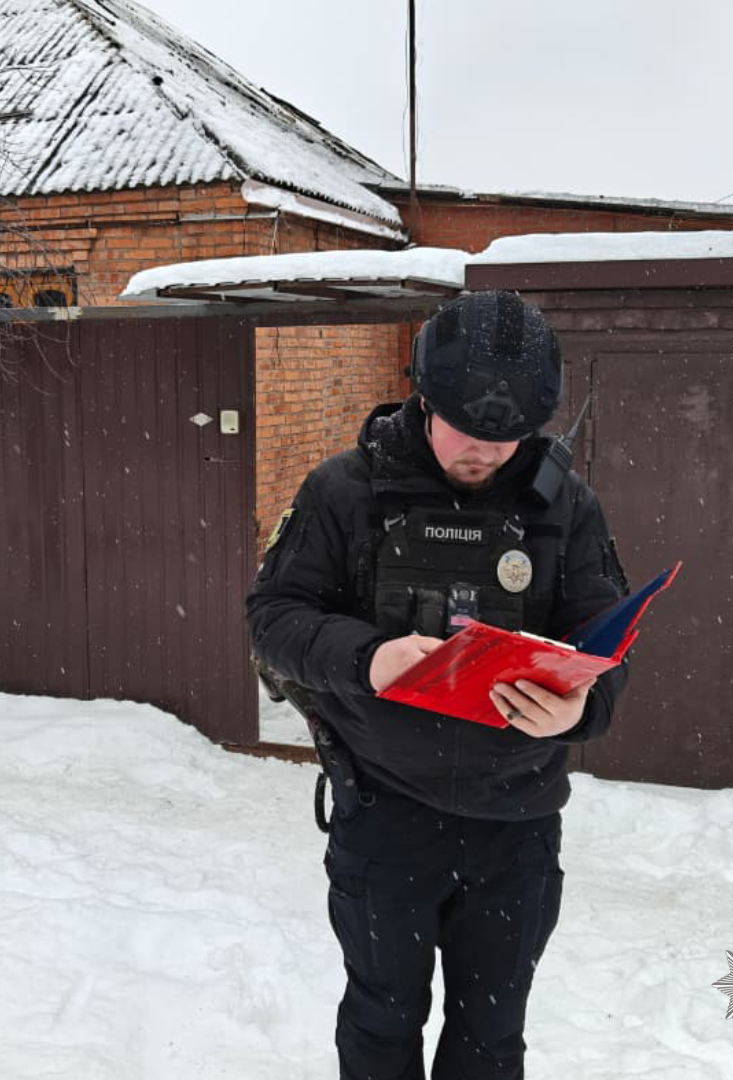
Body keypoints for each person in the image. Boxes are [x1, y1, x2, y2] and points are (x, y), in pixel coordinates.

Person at [246, 289, 629, 1080]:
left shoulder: (565, 508)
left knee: (490, 1041)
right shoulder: (345, 491)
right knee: (380, 1025)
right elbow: (274, 617)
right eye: (465, 428)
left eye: (507, 437)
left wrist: (576, 709)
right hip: (385, 819)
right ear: (424, 397)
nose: (484, 452)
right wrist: (367, 657)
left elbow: (608, 649)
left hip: (515, 831)